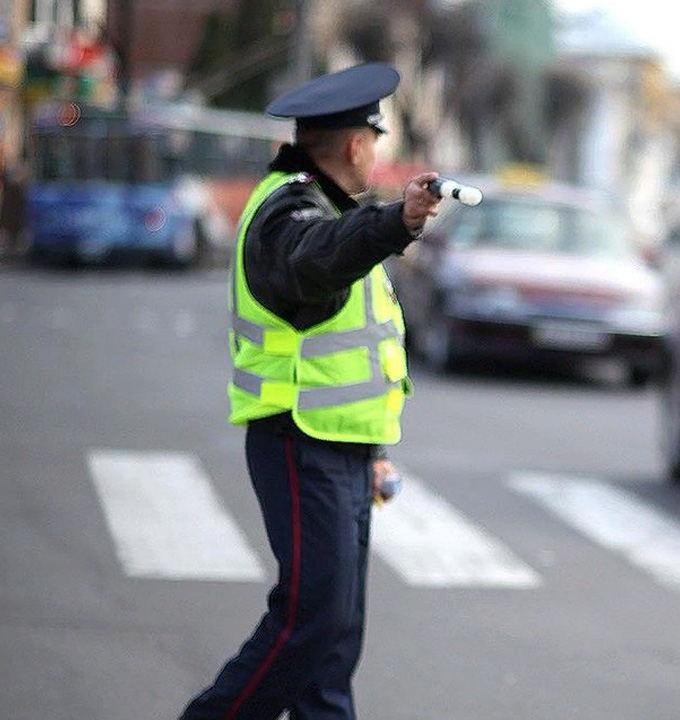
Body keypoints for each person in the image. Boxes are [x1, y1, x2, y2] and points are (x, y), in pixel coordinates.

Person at [180, 62, 442, 720]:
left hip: (341, 449)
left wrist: (375, 450)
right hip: (299, 444)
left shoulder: (320, 207)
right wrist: (394, 223)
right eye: (373, 141)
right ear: (357, 145)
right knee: (311, 622)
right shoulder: (288, 212)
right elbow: (315, 259)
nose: (375, 153)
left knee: (334, 635)